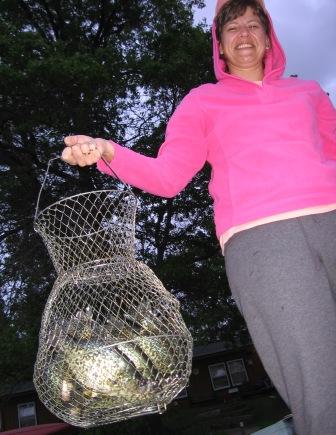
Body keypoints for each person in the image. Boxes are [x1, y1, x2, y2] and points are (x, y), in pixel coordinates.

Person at [61, 0, 336, 433]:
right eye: (232, 29)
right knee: (320, 380)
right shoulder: (203, 102)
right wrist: (107, 151)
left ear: (269, 38)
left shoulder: (309, 93)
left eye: (253, 25)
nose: (244, 34)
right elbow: (168, 176)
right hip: (264, 241)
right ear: (220, 46)